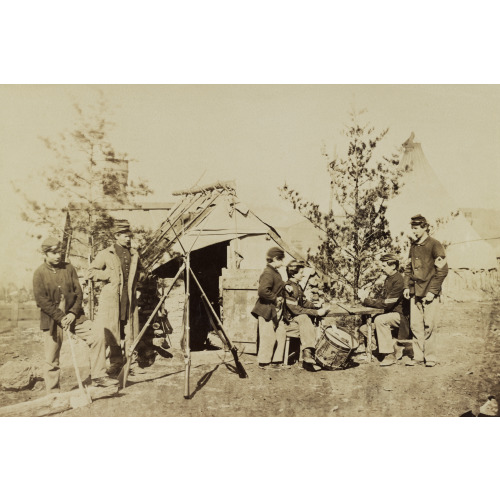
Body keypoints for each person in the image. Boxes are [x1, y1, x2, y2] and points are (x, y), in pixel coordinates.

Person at [33, 237, 117, 392]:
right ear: (45, 254)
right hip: (52, 320)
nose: (58, 255)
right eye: (53, 252)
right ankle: (53, 392)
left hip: (75, 317)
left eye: (59, 252)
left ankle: (99, 376)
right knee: (52, 357)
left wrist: (72, 313)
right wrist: (60, 316)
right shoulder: (39, 273)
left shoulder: (69, 268)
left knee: (98, 336)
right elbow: (41, 301)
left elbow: (79, 293)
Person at [86, 220, 142, 377]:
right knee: (113, 331)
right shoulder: (105, 254)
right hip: (111, 299)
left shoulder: (134, 254)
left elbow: (141, 272)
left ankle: (130, 361)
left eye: (129, 236)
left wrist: (138, 279)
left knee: (130, 330)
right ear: (117, 236)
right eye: (125, 236)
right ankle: (116, 362)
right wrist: (108, 275)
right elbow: (90, 272)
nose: (128, 239)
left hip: (129, 298)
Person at [403, 214, 448, 367]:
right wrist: (406, 287)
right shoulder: (414, 246)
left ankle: (430, 357)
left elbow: (442, 270)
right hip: (415, 292)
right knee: (415, 326)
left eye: (416, 228)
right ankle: (417, 356)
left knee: (430, 325)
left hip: (429, 292)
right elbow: (408, 268)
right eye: (412, 228)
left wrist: (433, 291)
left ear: (424, 227)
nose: (413, 231)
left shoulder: (435, 245)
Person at [357, 253, 409, 367]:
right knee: (364, 328)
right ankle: (393, 348)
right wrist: (369, 299)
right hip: (391, 313)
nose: (381, 268)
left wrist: (366, 300)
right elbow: (384, 300)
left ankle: (389, 355)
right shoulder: (389, 279)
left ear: (393, 266)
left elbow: (387, 304)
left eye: (384, 265)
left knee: (380, 320)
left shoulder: (399, 280)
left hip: (400, 316)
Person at [283, 260, 328, 370]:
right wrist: (316, 312)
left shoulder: (297, 286)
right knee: (304, 318)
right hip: (289, 321)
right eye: (301, 272)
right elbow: (295, 310)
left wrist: (316, 306)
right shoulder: (288, 287)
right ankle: (307, 356)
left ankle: (309, 357)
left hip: (296, 319)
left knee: (308, 322)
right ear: (293, 274)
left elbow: (304, 302)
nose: (303, 275)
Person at [251, 247, 288, 370]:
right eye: (281, 260)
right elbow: (262, 291)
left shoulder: (274, 272)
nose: (283, 263)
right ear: (276, 259)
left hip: (275, 309)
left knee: (280, 333)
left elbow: (276, 285)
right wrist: (275, 298)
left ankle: (276, 362)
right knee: (268, 336)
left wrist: (285, 287)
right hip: (266, 309)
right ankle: (264, 363)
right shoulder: (268, 272)